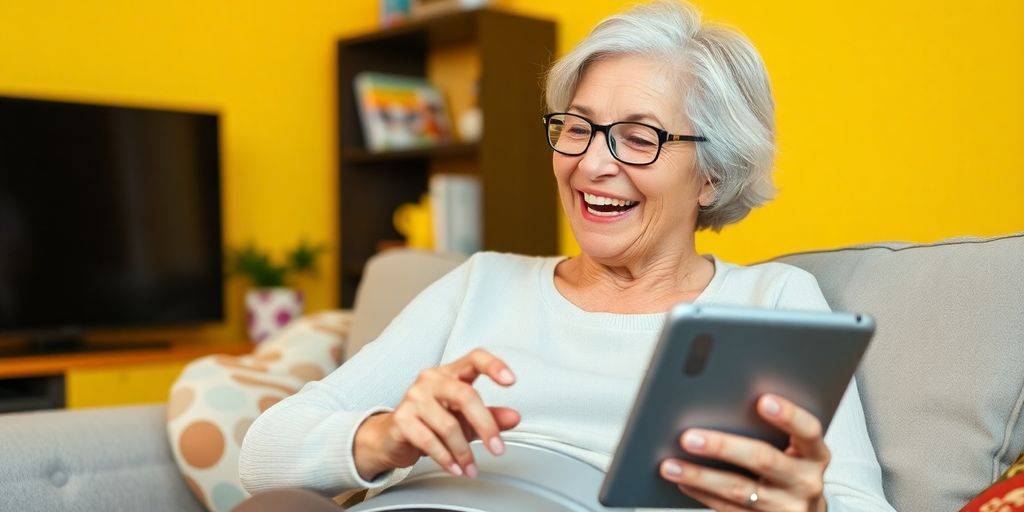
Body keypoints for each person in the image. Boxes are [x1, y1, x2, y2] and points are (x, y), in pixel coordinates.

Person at [239, 1, 895, 510]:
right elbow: (262, 456)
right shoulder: (480, 283)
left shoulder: (771, 301)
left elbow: (860, 504)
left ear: (713, 175)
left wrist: (808, 508)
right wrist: (385, 437)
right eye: (578, 128)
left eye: (638, 137)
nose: (591, 163)